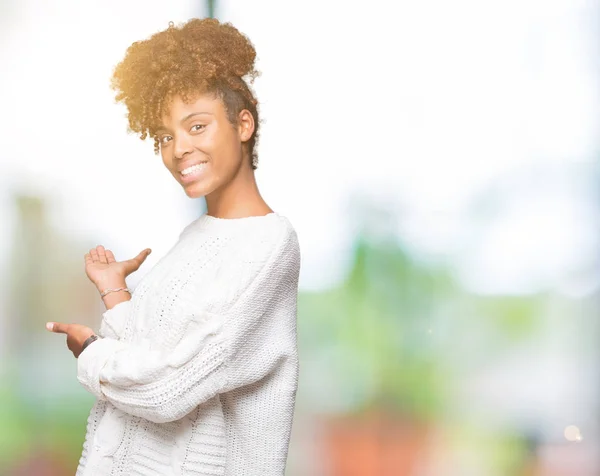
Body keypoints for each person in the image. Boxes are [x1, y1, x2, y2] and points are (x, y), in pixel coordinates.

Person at [45, 18, 301, 476]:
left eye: (197, 126)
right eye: (165, 136)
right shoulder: (198, 235)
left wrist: (90, 351)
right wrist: (114, 292)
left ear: (243, 124)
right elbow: (156, 354)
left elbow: (169, 388)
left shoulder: (269, 243)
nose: (178, 149)